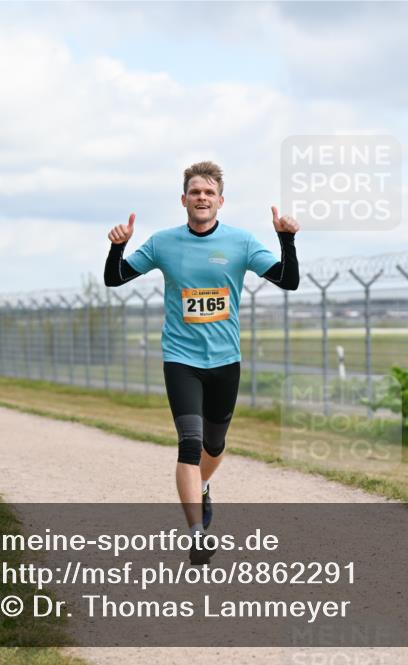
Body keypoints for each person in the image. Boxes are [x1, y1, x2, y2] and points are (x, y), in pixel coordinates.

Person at [103, 161, 300, 565]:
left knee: (214, 445)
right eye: (195, 192)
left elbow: (288, 280)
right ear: (184, 200)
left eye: (209, 192)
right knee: (189, 445)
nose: (202, 198)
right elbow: (115, 277)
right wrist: (117, 246)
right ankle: (197, 533)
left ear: (220, 201)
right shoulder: (163, 243)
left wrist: (287, 240)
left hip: (225, 360)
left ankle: (202, 486)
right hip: (181, 359)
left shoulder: (241, 242)